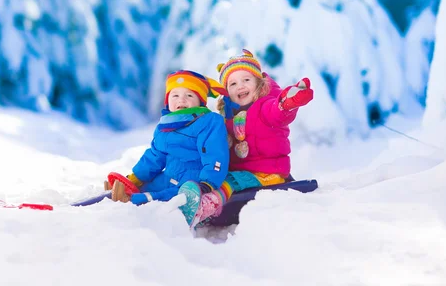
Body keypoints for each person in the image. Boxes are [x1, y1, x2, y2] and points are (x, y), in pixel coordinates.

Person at [178, 49, 314, 227]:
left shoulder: (265, 106)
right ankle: (190, 199)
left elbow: (278, 112)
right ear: (226, 92)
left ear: (258, 83)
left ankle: (205, 208)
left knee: (229, 182)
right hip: (242, 171)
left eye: (246, 80)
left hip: (265, 172)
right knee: (213, 177)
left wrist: (288, 102)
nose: (240, 86)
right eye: (232, 84)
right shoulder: (228, 116)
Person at [105, 70, 230, 207]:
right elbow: (154, 157)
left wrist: (207, 182)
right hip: (168, 175)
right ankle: (122, 193)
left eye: (189, 95)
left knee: (172, 195)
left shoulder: (209, 121)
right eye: (175, 95)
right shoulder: (164, 126)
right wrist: (137, 178)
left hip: (193, 179)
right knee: (150, 186)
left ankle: (134, 201)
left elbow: (215, 154)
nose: (181, 100)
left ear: (200, 102)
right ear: (168, 101)